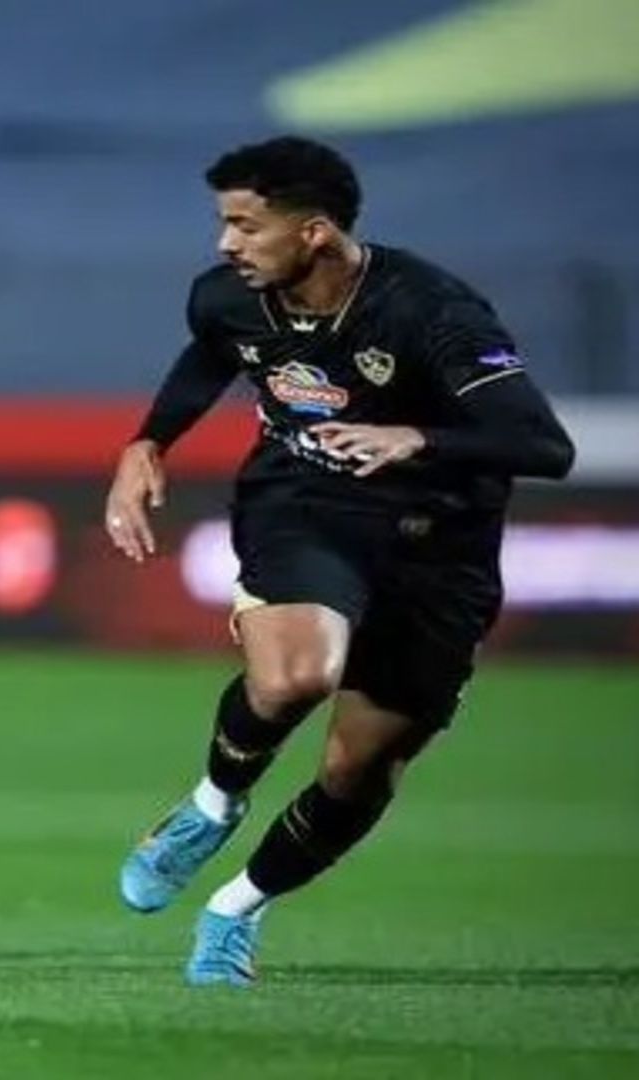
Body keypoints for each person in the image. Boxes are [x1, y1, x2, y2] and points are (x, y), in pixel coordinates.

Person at [103, 136, 574, 986]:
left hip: (439, 547)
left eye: (246, 226)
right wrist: (149, 442)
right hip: (304, 507)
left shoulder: (432, 311)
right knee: (294, 678)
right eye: (224, 223)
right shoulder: (229, 297)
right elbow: (213, 351)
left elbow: (544, 444)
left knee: (359, 769)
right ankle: (211, 806)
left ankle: (235, 909)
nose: (226, 244)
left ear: (314, 232)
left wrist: (417, 437)